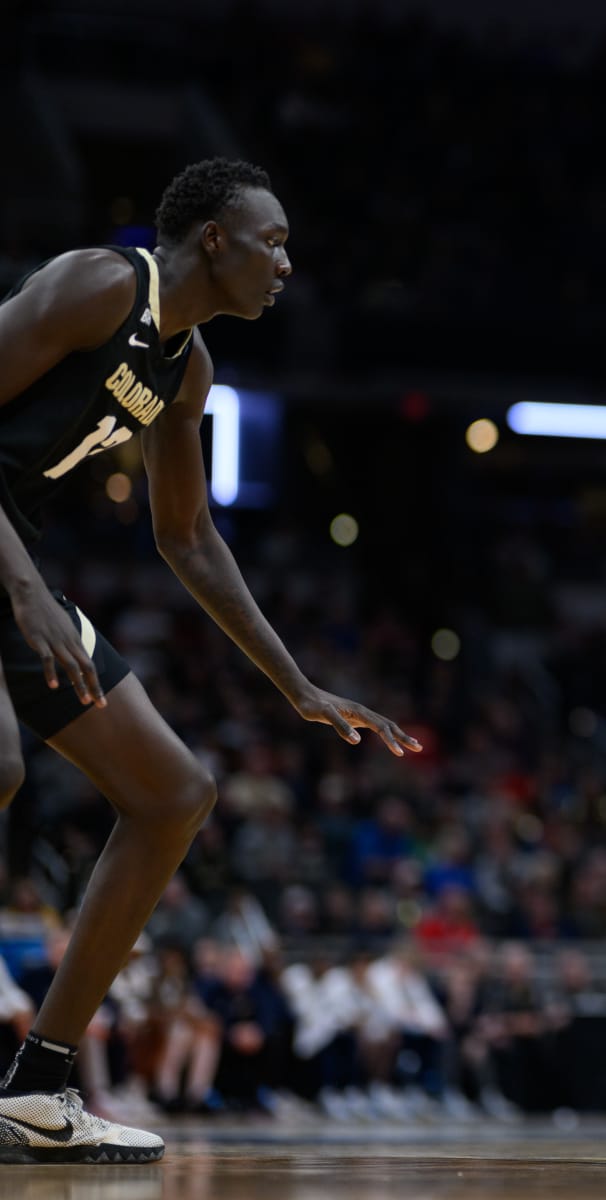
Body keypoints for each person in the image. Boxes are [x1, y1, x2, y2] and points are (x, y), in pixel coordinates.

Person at [0, 158, 419, 1164]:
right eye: (272, 243)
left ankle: (40, 1088)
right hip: (7, 566)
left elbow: (186, 539)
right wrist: (21, 593)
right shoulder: (98, 285)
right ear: (215, 239)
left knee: (173, 792)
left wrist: (297, 686)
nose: (286, 265)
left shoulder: (184, 368)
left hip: (8, 550)